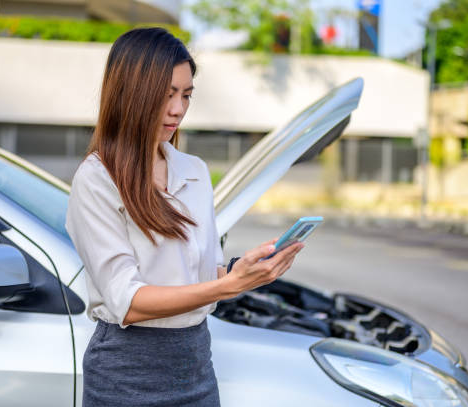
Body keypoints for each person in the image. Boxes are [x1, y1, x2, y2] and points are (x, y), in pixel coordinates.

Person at [65, 27, 304, 407]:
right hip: (127, 371)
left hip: (195, 360)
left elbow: (206, 276)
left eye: (186, 95)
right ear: (130, 93)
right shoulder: (96, 179)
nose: (178, 109)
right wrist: (226, 287)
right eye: (166, 95)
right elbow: (129, 301)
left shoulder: (193, 171)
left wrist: (247, 272)